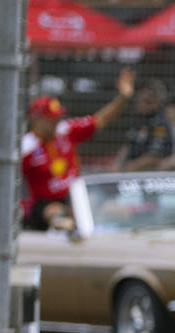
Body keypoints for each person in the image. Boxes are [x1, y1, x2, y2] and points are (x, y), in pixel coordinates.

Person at [20, 67, 135, 231]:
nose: (56, 122)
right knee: (58, 215)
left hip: (77, 197)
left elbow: (100, 120)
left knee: (119, 211)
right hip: (46, 204)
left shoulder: (65, 130)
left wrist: (123, 98)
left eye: (57, 117)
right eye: (51, 119)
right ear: (37, 119)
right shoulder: (26, 146)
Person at [114, 79, 173, 171]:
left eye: (145, 101)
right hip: (130, 170)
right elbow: (127, 147)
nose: (139, 103)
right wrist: (116, 166)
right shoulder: (138, 121)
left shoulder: (160, 125)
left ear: (155, 103)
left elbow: (155, 156)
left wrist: (130, 167)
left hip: (150, 173)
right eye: (139, 99)